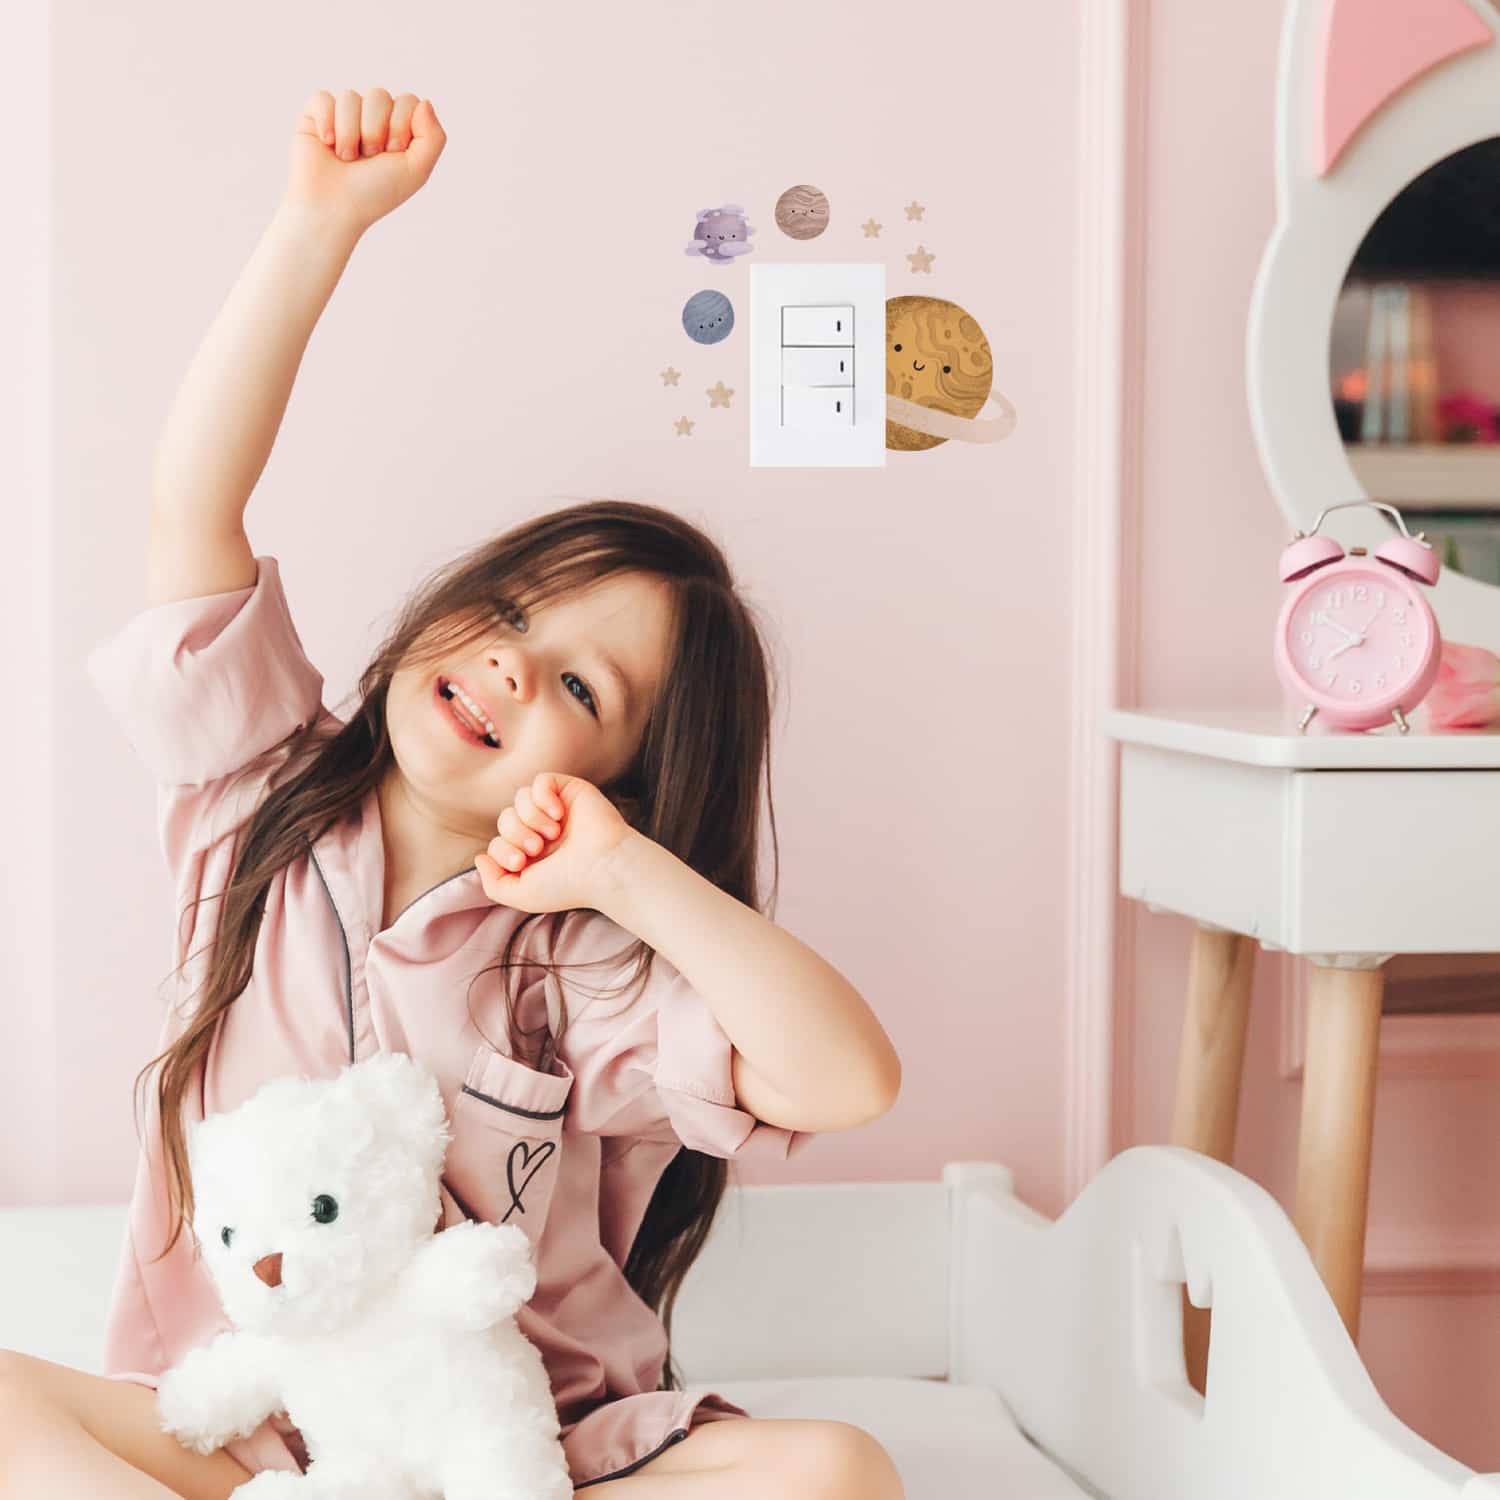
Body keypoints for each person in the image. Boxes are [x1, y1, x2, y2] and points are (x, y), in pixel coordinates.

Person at [0, 89, 904, 1500]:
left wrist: (627, 875)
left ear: (620, 778)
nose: (511, 667)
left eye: (582, 689)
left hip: (526, 1458)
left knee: (838, 1470)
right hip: (249, 1435)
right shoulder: (255, 796)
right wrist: (318, 224)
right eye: (512, 612)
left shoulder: (582, 955)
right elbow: (194, 504)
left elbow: (848, 1079)